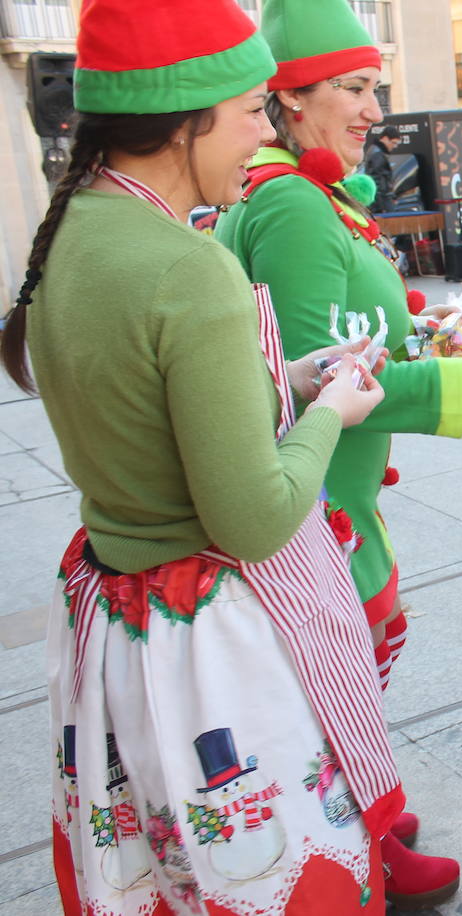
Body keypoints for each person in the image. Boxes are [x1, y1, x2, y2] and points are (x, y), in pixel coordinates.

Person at [5, 0, 400, 911]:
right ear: (187, 120)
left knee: (163, 884)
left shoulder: (78, 232)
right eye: (255, 110)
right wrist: (333, 410)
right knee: (272, 882)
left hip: (115, 625)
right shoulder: (187, 266)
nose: (266, 133)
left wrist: (287, 381)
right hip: (207, 647)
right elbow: (253, 517)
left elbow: (149, 412)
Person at [216, 0, 462, 907]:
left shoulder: (311, 197)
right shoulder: (293, 208)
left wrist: (423, 330)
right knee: (334, 684)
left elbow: (348, 338)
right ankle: (364, 851)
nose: (371, 109)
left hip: (341, 498)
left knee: (350, 669)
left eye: (374, 88)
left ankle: (373, 822)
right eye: (353, 89)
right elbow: (321, 375)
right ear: (287, 100)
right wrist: (456, 387)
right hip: (319, 508)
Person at [365, 124, 401, 213]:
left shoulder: (375, 151)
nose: (394, 146)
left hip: (381, 202)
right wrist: (381, 207)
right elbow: (377, 181)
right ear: (385, 138)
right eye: (393, 143)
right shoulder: (377, 155)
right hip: (382, 203)